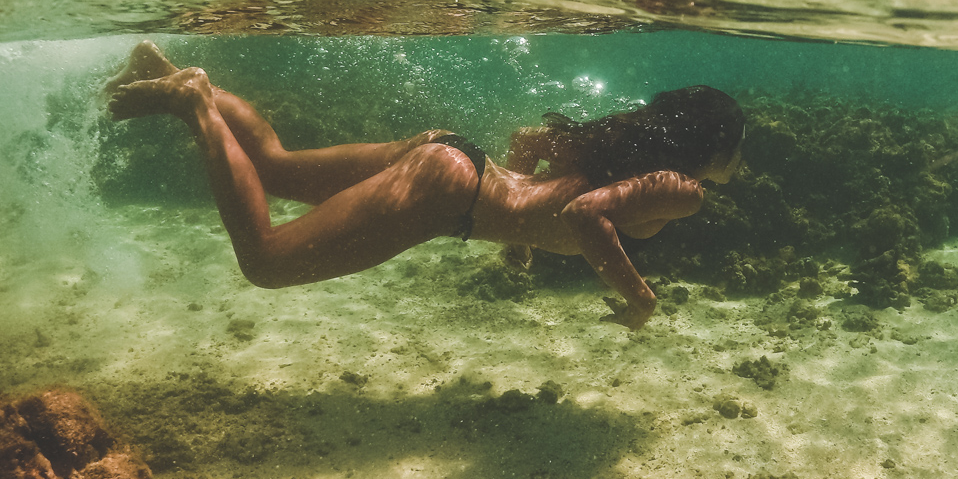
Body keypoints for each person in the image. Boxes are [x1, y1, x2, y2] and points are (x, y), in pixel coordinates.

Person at [104, 43, 745, 330]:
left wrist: (518, 232)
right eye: (738, 147)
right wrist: (639, 298)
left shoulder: (618, 146)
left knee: (275, 164)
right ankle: (192, 101)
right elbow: (583, 215)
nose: (740, 162)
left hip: (453, 159)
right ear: (713, 146)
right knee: (267, 261)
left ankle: (177, 79)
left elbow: (524, 144)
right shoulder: (681, 188)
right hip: (450, 193)